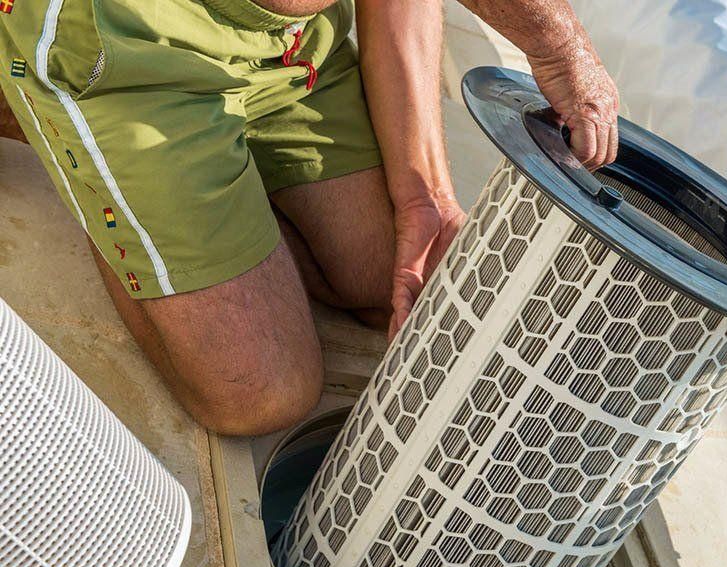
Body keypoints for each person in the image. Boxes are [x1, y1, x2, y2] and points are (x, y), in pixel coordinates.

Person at [0, 0, 618, 435]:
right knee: (260, 395)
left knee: (399, 279)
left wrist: (423, 197)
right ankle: (79, 150)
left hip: (290, 48)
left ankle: (182, 187)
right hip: (129, 38)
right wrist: (559, 49)